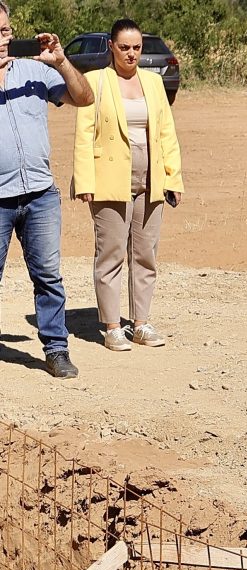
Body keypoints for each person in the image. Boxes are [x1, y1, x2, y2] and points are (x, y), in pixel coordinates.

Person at [73, 18, 183, 351]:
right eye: (124, 47)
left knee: (145, 253)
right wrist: (84, 181)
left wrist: (173, 176)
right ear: (111, 47)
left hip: (151, 179)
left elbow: (166, 132)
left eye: (136, 48)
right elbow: (83, 135)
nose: (131, 54)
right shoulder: (96, 81)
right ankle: (110, 326)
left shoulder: (152, 82)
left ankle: (141, 323)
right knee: (110, 254)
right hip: (108, 179)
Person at [0, 2, 93, 378]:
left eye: (6, 30)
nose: (4, 39)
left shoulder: (34, 69)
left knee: (48, 276)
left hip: (39, 194)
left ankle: (56, 349)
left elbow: (84, 98)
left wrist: (61, 62)